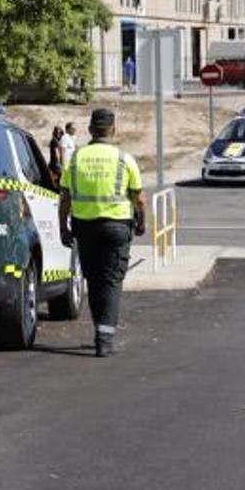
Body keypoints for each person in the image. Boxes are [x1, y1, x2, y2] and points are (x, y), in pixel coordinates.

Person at [57, 108, 147, 357]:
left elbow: (64, 198)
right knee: (111, 281)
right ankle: (104, 340)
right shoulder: (124, 159)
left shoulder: (75, 159)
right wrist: (142, 222)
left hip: (84, 227)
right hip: (117, 227)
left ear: (89, 130)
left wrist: (62, 227)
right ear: (113, 130)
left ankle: (101, 331)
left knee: (94, 280)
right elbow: (139, 198)